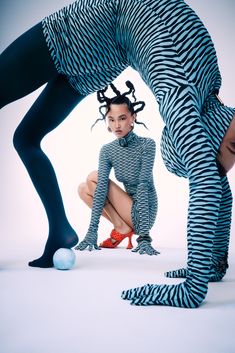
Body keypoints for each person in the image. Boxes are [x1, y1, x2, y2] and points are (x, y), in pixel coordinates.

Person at [0, 0, 234, 307]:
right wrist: (202, 276)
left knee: (27, 137)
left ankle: (59, 231)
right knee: (26, 138)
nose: (229, 162)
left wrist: (201, 279)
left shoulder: (183, 96)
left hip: (96, 47)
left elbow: (212, 182)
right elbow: (209, 181)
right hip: (95, 40)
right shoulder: (199, 94)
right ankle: (60, 230)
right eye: (231, 151)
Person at [75, 81, 159, 255]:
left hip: (144, 212)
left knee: (93, 176)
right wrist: (92, 231)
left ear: (133, 117)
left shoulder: (147, 145)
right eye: (111, 120)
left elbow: (143, 186)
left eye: (122, 118)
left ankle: (125, 229)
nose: (117, 125)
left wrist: (144, 236)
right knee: (84, 189)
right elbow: (99, 190)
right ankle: (121, 227)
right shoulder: (107, 150)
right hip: (126, 207)